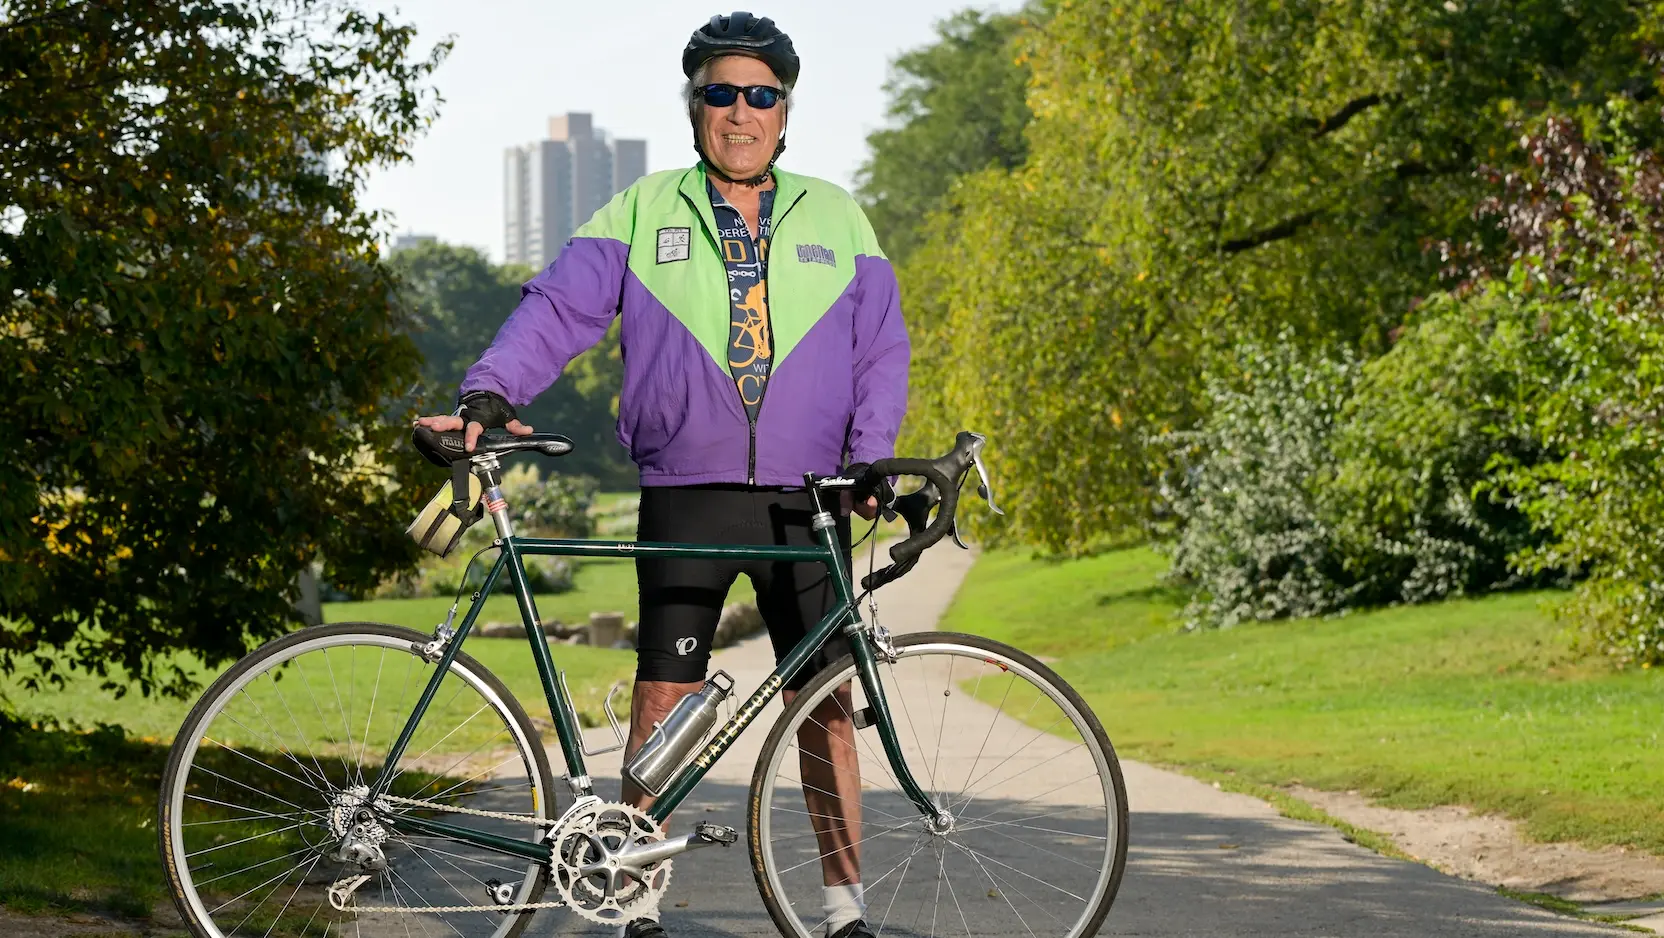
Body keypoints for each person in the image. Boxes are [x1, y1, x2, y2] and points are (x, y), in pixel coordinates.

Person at [415, 12, 908, 938]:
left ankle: (844, 911)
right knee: (664, 692)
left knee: (827, 700)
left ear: (785, 112)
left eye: (761, 94)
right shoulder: (644, 210)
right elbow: (558, 308)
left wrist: (871, 453)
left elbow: (881, 348)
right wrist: (488, 391)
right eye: (721, 92)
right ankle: (632, 899)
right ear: (696, 106)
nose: (740, 111)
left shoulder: (838, 215)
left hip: (810, 497)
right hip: (687, 483)